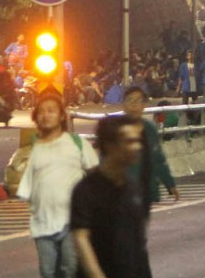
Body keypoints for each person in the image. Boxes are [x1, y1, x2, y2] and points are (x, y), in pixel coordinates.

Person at [16, 92, 98, 278]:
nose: (46, 115)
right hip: (43, 224)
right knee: (48, 272)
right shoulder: (34, 149)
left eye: (51, 111)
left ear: (62, 116)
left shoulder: (77, 143)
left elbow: (95, 176)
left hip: (72, 221)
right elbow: (27, 187)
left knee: (69, 269)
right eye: (42, 112)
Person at [70, 115, 150, 278]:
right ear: (109, 145)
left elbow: (138, 244)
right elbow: (81, 240)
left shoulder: (133, 187)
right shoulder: (86, 190)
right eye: (129, 141)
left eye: (137, 141)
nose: (136, 147)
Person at [120, 86, 179, 216]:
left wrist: (170, 184)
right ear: (123, 104)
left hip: (145, 192)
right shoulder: (114, 130)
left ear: (144, 105)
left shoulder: (150, 129)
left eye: (138, 101)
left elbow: (158, 159)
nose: (134, 105)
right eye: (130, 101)